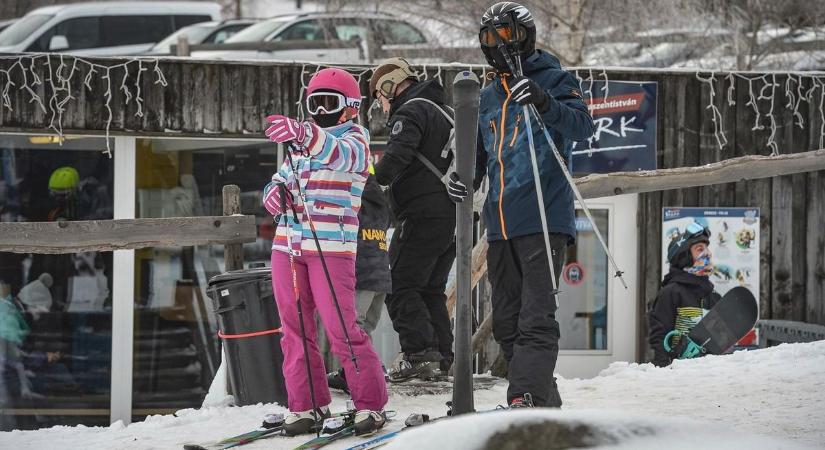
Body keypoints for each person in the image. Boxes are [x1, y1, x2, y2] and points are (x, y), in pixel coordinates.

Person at [448, 2, 595, 408]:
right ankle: (542, 398)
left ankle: (524, 395)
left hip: (543, 215)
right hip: (500, 221)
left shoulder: (554, 77)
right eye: (488, 38)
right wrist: (461, 180)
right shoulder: (490, 95)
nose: (496, 45)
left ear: (524, 34)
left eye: (504, 35)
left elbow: (584, 127)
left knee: (535, 315)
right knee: (507, 320)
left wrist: (547, 102)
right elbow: (477, 157)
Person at [262, 68, 388, 436]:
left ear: (350, 107)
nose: (318, 111)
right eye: (313, 103)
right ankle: (306, 404)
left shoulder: (356, 140)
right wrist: (273, 194)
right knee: (294, 327)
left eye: (327, 103)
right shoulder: (301, 146)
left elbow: (342, 158)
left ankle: (370, 403)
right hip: (289, 245)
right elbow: (282, 179)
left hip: (331, 248)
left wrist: (305, 132)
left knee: (341, 329)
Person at [369, 57, 456, 381]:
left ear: (390, 86)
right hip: (455, 218)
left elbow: (397, 158)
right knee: (430, 289)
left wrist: (368, 182)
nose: (381, 105)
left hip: (423, 214)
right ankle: (441, 358)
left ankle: (420, 355)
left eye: (379, 96)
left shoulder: (412, 111)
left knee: (400, 284)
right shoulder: (445, 112)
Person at [327, 165, 392, 393]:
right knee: (365, 328)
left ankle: (362, 378)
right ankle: (362, 374)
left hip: (362, 274)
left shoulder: (353, 199)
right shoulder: (381, 201)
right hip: (381, 275)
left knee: (354, 329)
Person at [649, 222, 722, 367]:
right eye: (699, 249)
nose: (707, 253)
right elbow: (659, 337)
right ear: (685, 257)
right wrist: (666, 368)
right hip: (678, 374)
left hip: (708, 374)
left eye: (706, 248)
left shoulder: (712, 295)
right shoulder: (671, 293)